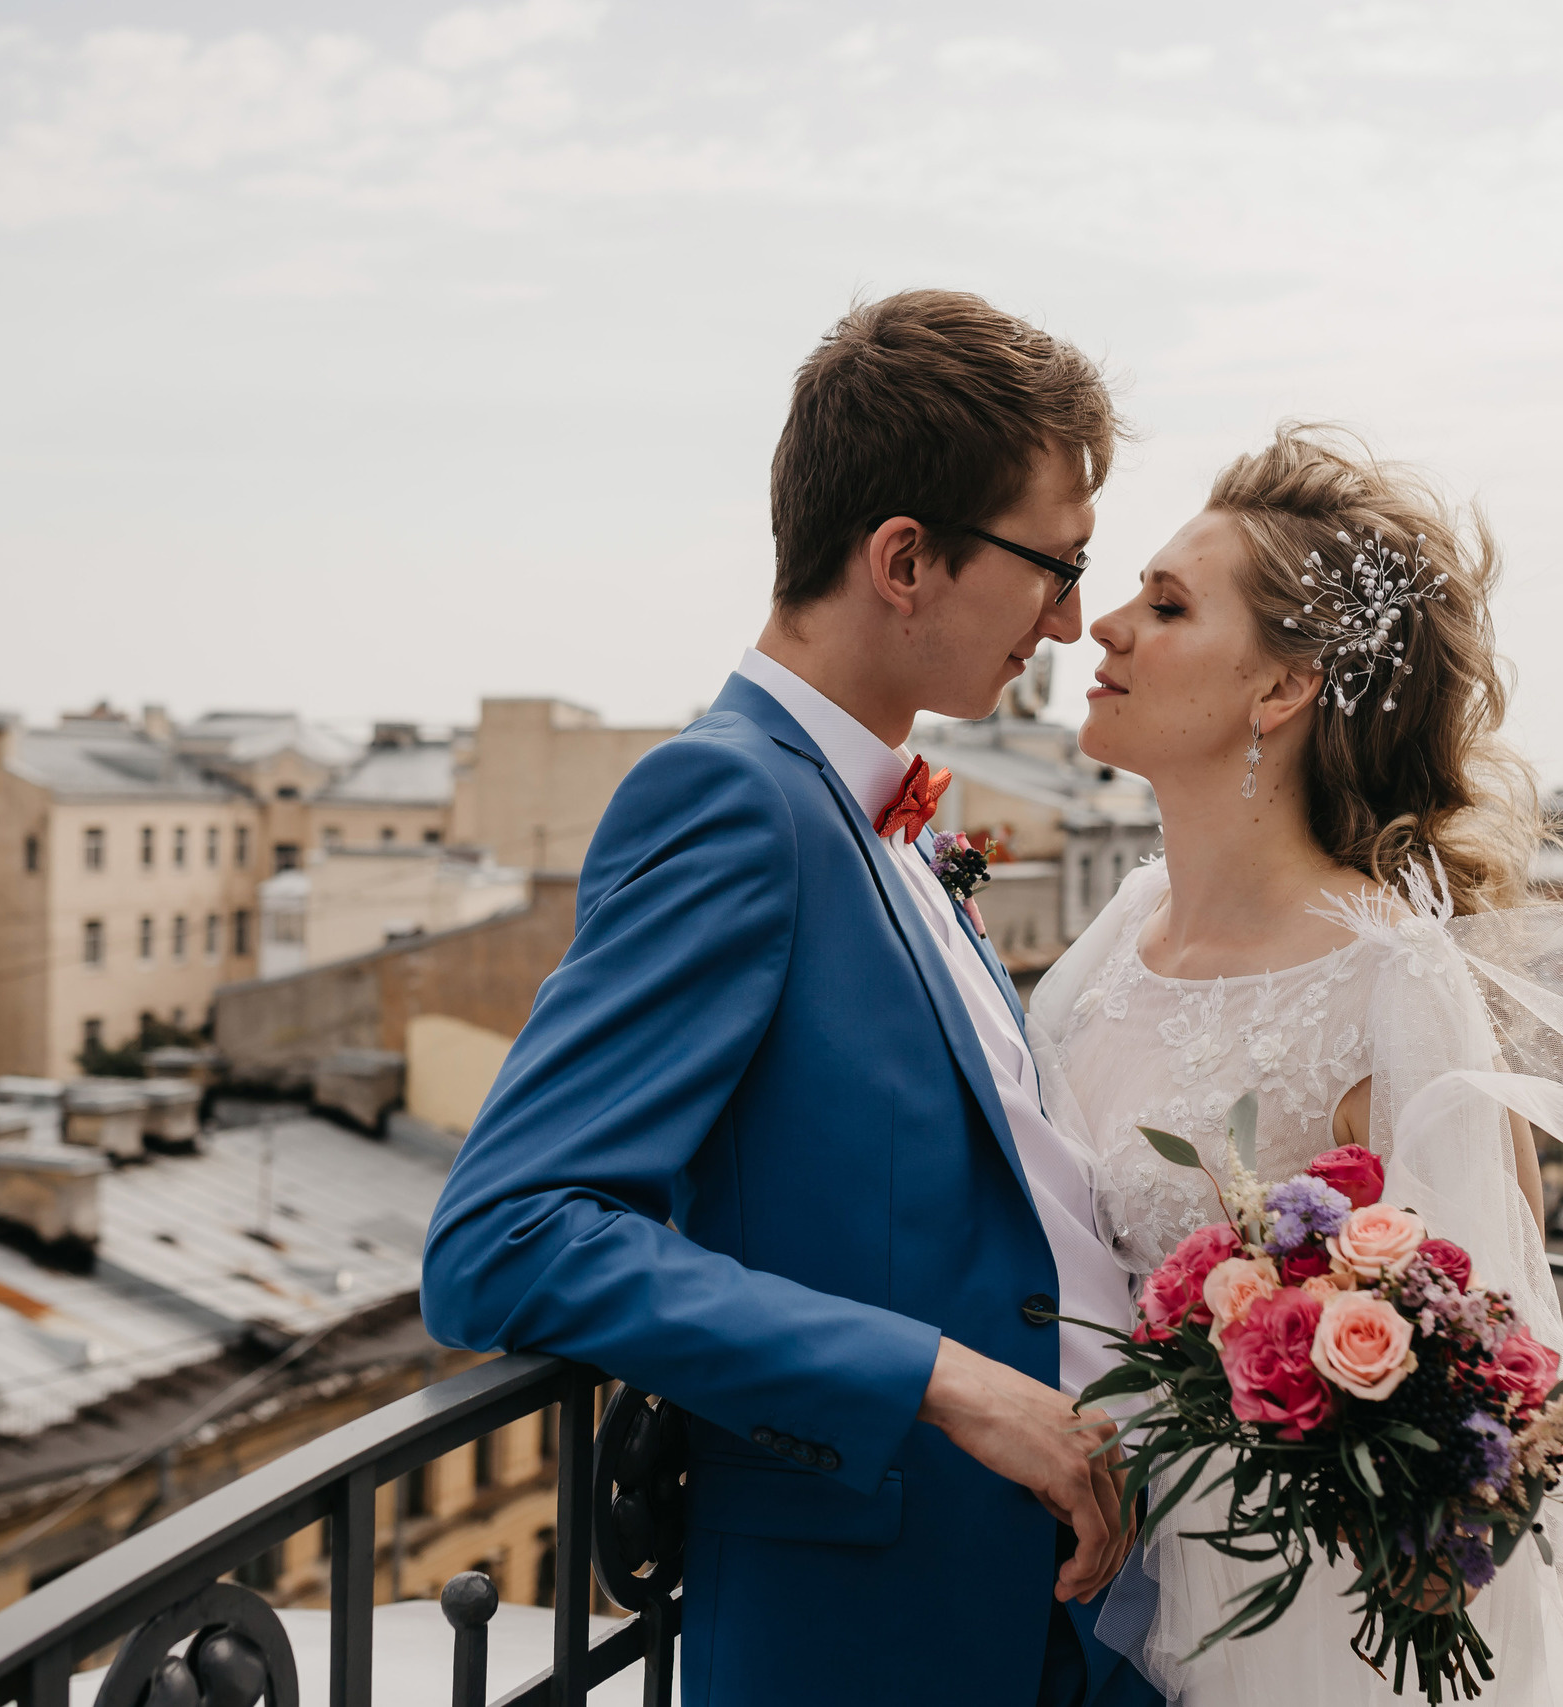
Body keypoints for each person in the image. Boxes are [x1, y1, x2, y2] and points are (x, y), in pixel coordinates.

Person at [423, 290, 1161, 1707]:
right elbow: (506, 1236)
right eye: (1051, 568)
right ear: (905, 559)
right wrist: (945, 1379)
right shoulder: (728, 798)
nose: (1070, 616)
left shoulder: (880, 813)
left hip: (1047, 1612)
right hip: (877, 1630)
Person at [1035, 426, 1563, 1702]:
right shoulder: (1109, 938)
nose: (1104, 628)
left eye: (1166, 605)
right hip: (1084, 1583)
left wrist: (1423, 1538)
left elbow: (1496, 1374)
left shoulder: (1386, 980)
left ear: (1280, 691)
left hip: (1296, 1619)